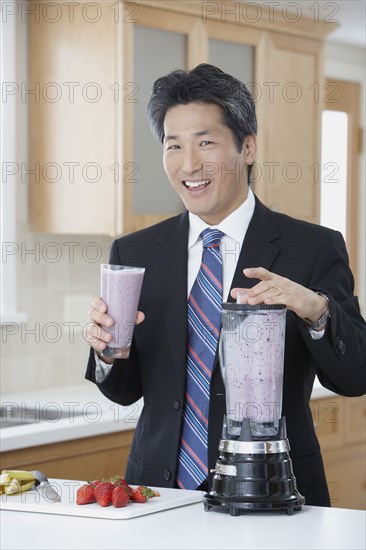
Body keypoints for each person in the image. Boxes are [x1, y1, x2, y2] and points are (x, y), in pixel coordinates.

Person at [85, 64, 366, 506]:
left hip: (271, 491)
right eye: (173, 145)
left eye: (206, 142)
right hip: (156, 496)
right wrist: (106, 352)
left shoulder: (311, 248)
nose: (189, 164)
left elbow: (355, 377)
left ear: (248, 147)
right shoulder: (135, 253)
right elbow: (123, 391)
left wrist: (317, 311)